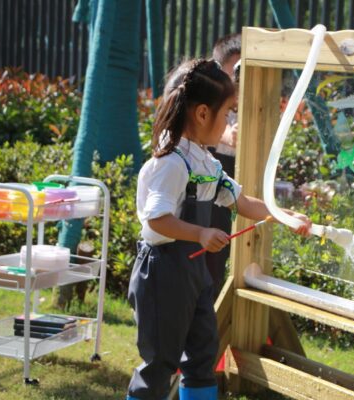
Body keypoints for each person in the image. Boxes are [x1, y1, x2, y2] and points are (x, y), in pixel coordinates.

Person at [126, 58, 311, 400]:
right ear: (200, 114)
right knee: (160, 361)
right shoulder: (170, 163)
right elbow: (156, 220)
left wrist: (285, 216)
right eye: (227, 112)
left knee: (202, 353)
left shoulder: (206, 162)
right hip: (163, 270)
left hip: (193, 271)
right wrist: (199, 233)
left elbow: (242, 202)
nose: (229, 121)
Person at [206, 33, 241, 299]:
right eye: (236, 73)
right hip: (212, 174)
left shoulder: (251, 103)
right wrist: (227, 135)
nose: (239, 83)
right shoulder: (210, 95)